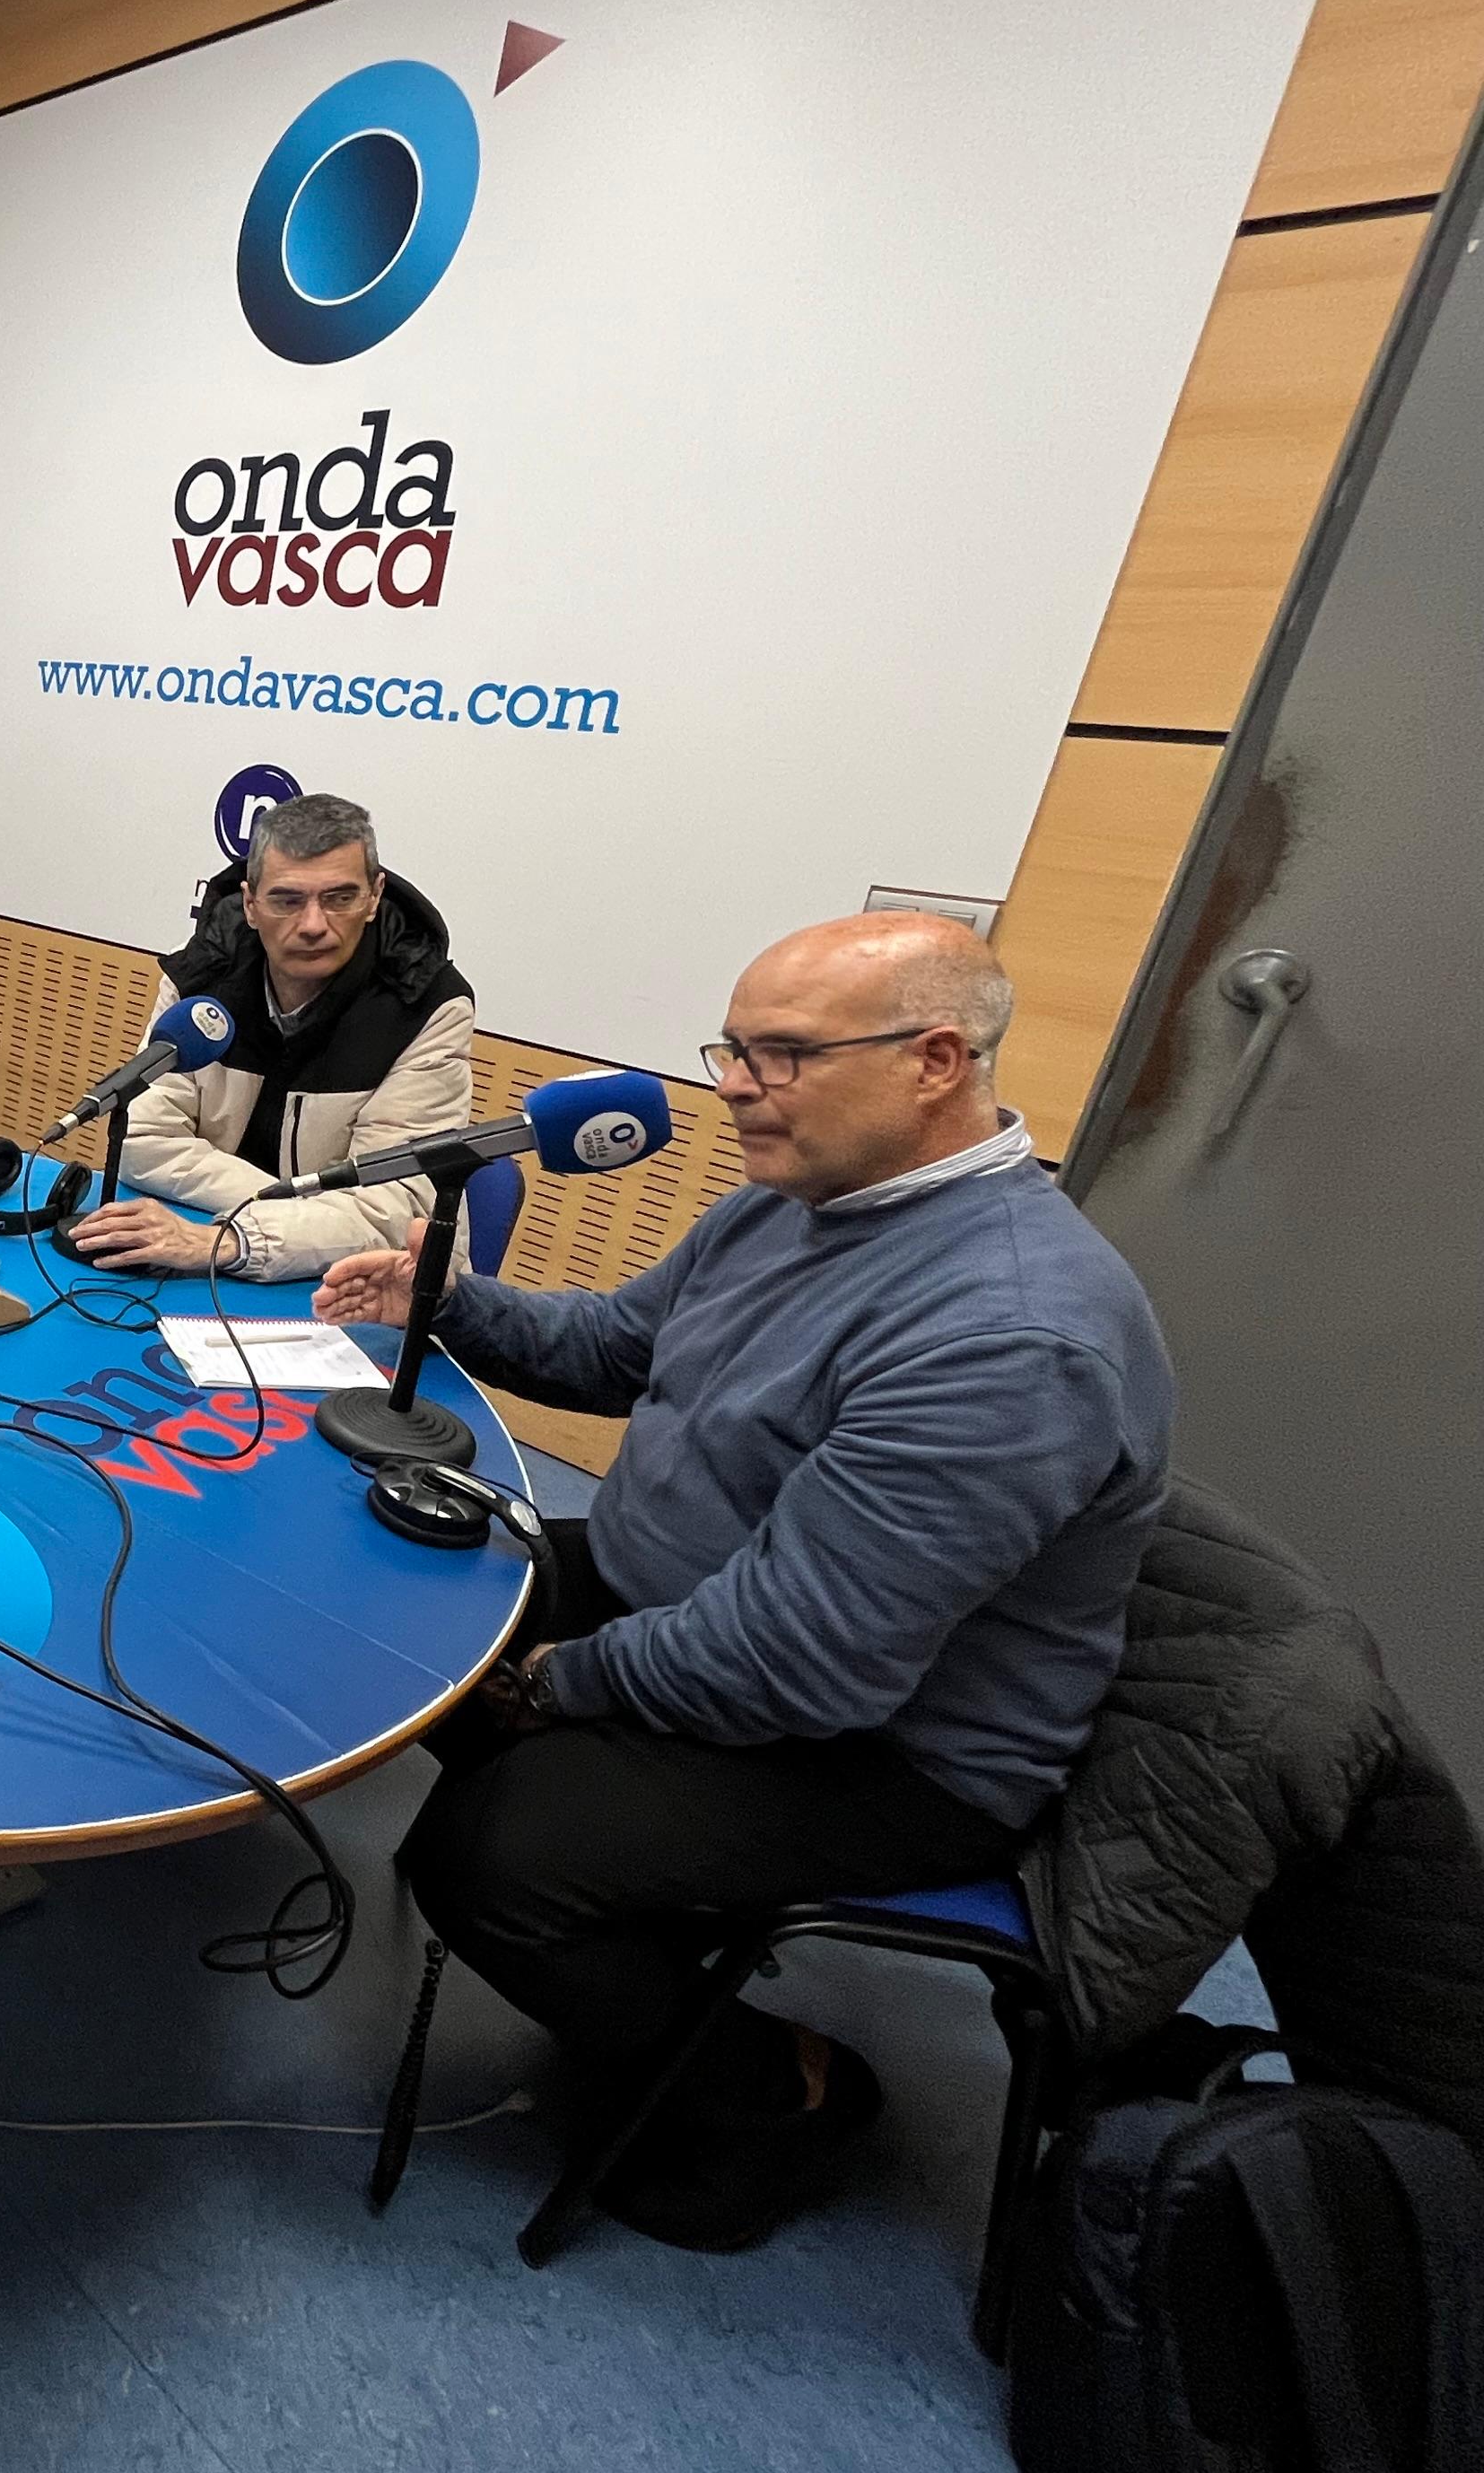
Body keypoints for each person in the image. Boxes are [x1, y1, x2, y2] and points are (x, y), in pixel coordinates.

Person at [317, 913, 1174, 2251]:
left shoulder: (1007, 1332)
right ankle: (638, 1938)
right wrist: (444, 1298)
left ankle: (777, 2090)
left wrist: (560, 1684)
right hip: (698, 1608)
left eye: (783, 1056)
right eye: (732, 1049)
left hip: (892, 1747)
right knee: (413, 1605)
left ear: (934, 1061)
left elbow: (804, 1661)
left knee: (489, 1857)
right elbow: (618, 1349)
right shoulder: (794, 1201)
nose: (735, 1087)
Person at [69, 790, 475, 1278]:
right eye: (287, 900)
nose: (313, 925)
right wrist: (284, 1212)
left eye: (340, 899)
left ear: (374, 897)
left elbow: (398, 1209)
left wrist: (235, 1238)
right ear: (250, 904)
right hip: (213, 1249)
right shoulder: (202, 974)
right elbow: (143, 1137)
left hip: (374, 1287)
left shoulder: (428, 1005)